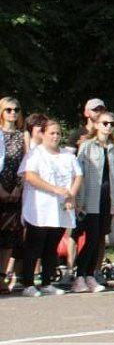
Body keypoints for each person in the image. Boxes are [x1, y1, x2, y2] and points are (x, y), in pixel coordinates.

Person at [18, 120, 80, 296]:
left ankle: (47, 282)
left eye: (58, 133)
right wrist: (54, 189)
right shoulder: (35, 154)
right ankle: (28, 283)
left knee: (51, 246)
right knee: (34, 245)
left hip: (60, 207)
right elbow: (30, 176)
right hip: (40, 206)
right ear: (43, 134)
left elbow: (78, 175)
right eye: (52, 133)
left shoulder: (67, 155)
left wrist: (71, 195)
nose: (55, 136)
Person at [71, 111, 114, 292]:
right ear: (97, 124)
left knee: (99, 239)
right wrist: (79, 200)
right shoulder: (87, 146)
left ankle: (90, 275)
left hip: (107, 199)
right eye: (105, 123)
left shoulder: (112, 148)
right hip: (90, 199)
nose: (108, 127)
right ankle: (79, 276)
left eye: (112, 124)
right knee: (90, 239)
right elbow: (79, 173)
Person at [0, 97, 26, 293]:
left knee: (9, 236)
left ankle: (2, 277)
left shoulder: (22, 136)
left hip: (15, 190)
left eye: (16, 110)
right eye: (8, 110)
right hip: (0, 186)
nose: (12, 113)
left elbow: (26, 164)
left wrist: (18, 187)